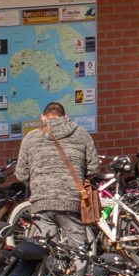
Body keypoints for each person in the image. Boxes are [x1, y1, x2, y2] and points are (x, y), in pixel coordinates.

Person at [14, 102, 100, 238]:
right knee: (78, 252)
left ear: (43, 117)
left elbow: (22, 174)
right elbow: (94, 168)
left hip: (42, 203)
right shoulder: (82, 135)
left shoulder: (30, 138)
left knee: (47, 250)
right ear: (65, 116)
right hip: (71, 201)